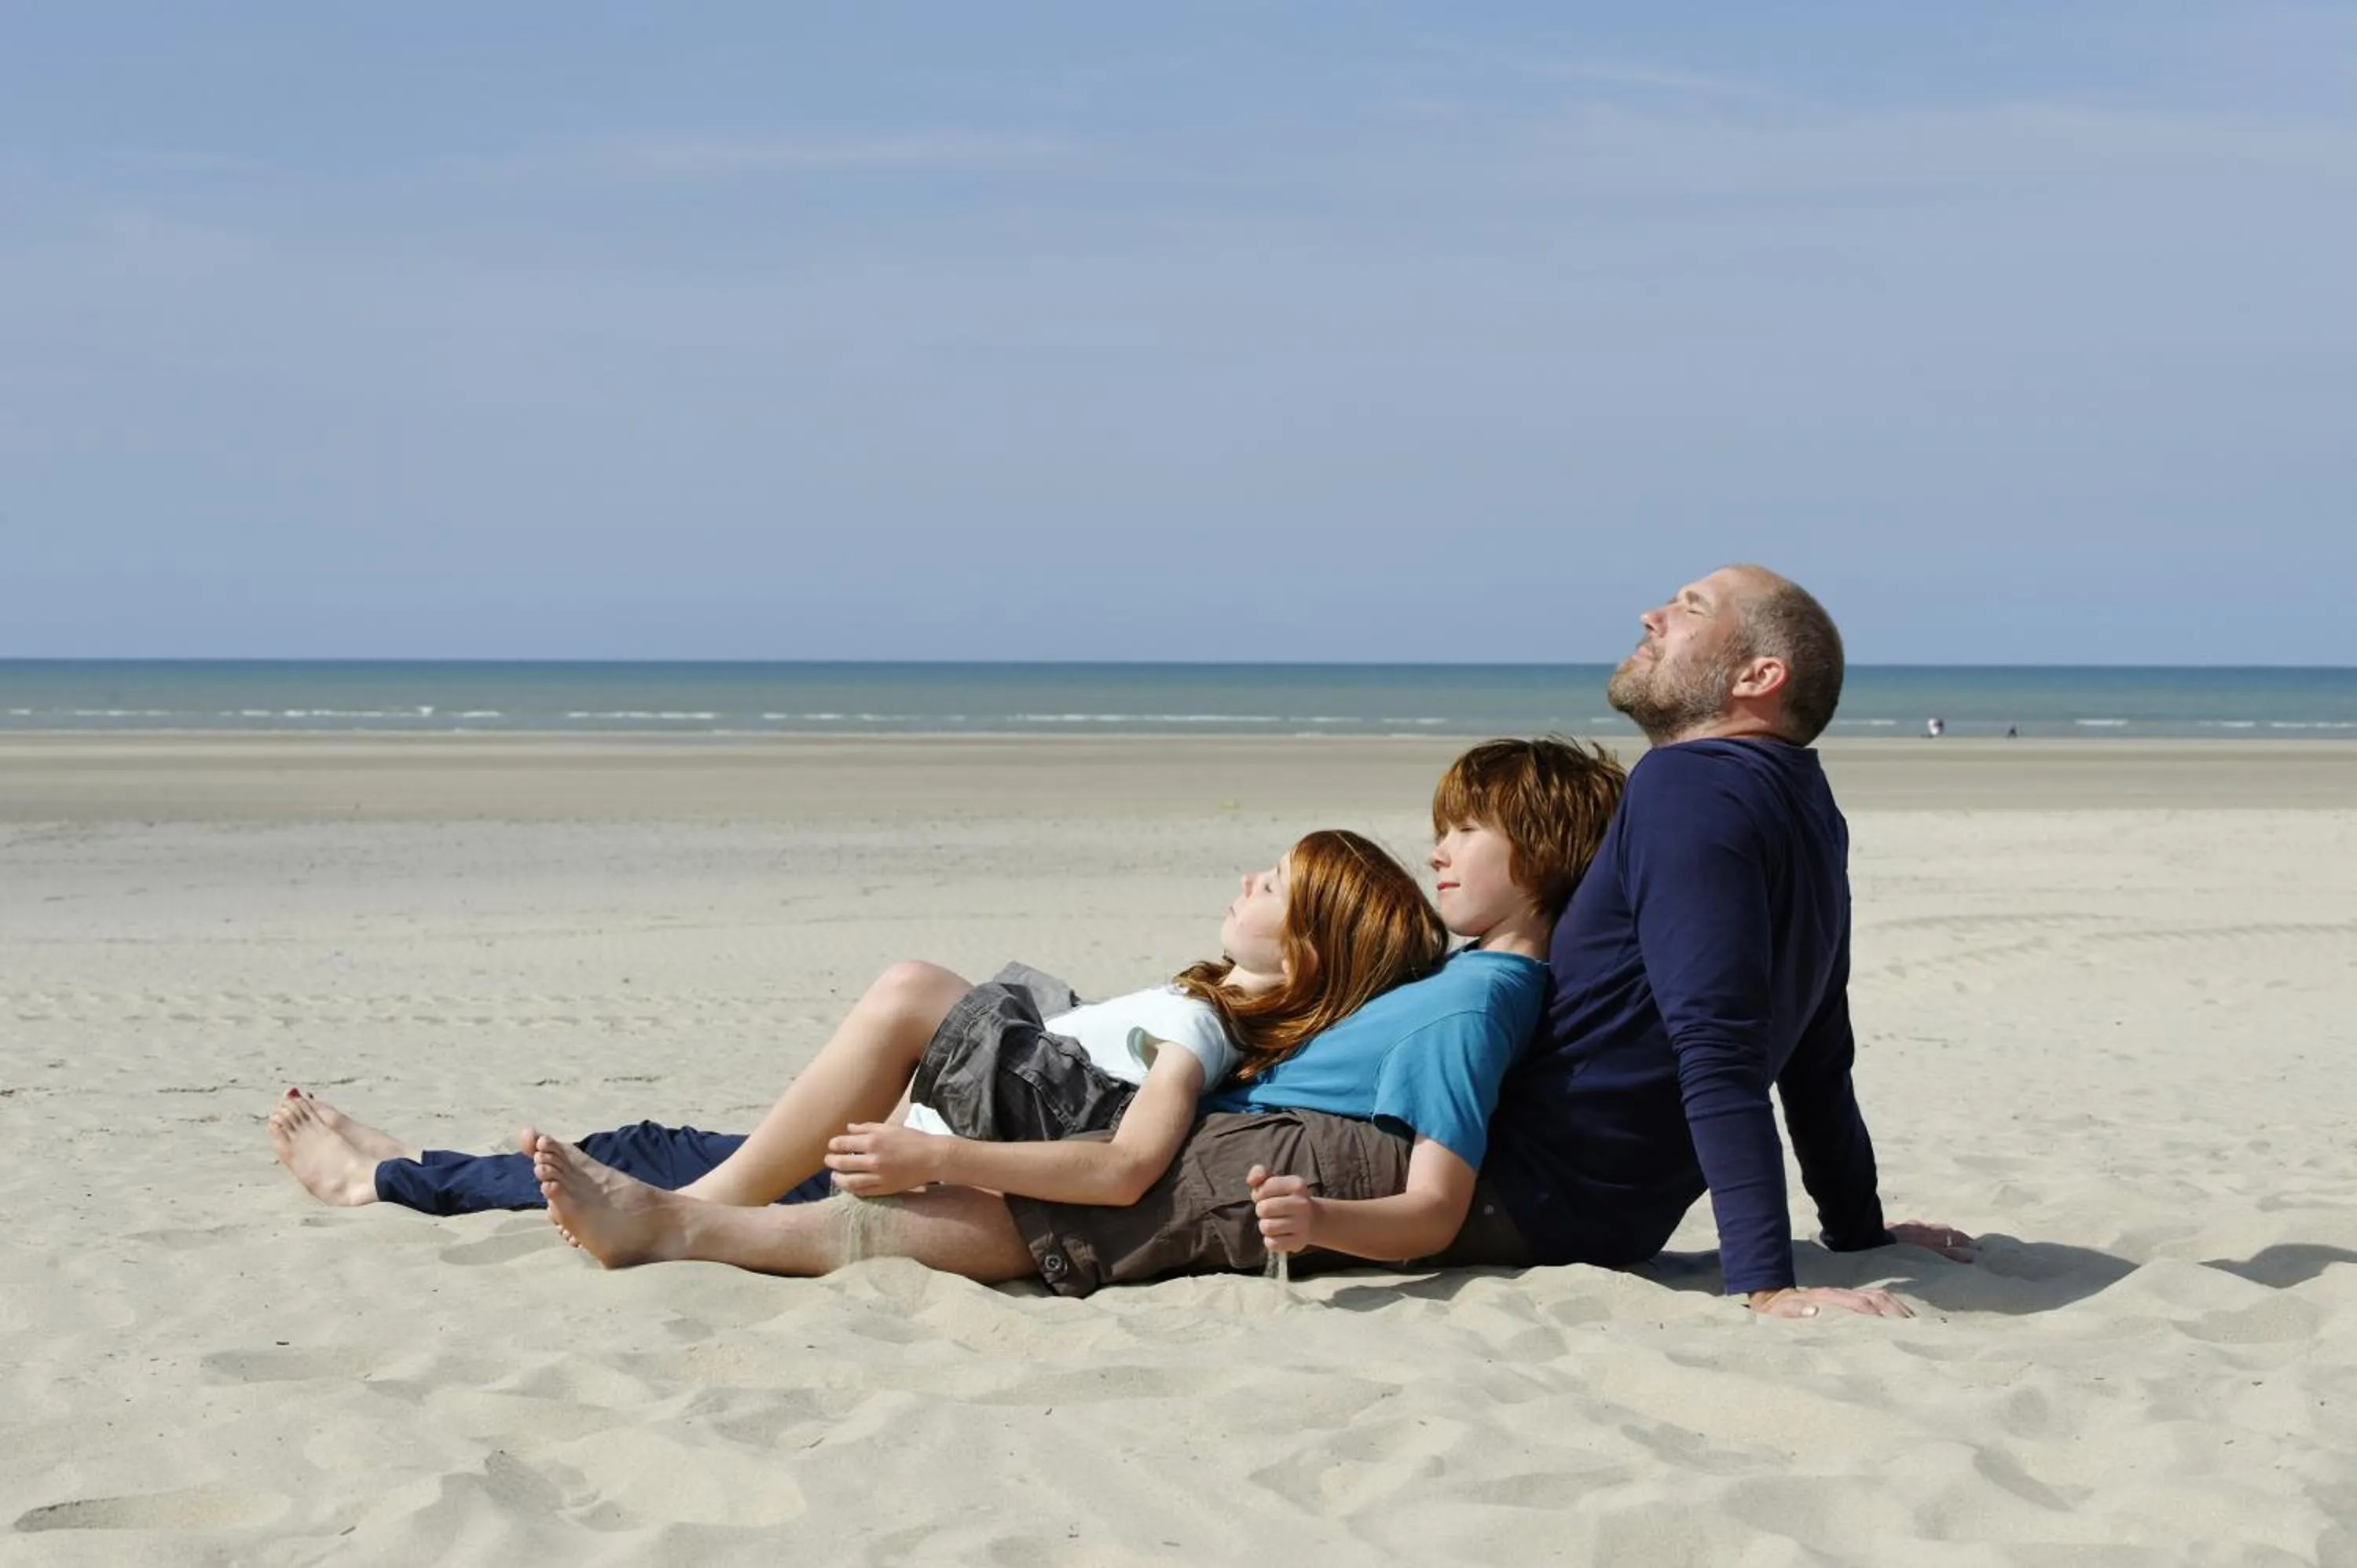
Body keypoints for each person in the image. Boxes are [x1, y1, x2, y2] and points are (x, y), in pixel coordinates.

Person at [528, 738, 1626, 1284]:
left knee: (912, 1003)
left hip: (1144, 1136)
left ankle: (688, 1217)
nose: (1439, 848)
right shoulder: (1460, 980)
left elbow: (1435, 1207)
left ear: (1541, 855)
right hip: (1163, 1123)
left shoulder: (1473, 1005)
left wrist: (1324, 1222)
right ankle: (685, 1211)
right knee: (906, 1094)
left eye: (1468, 830)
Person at [269, 828, 1445, 1218]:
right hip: (908, 1134)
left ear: (1307, 949)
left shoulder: (1204, 1029)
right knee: (632, 1146)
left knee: (907, 989)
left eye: (1273, 883)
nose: (1246, 879)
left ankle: (687, 1219)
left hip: (917, 1154)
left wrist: (940, 1158)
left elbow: (1130, 1165)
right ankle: (404, 1173)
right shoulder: (1197, 1005)